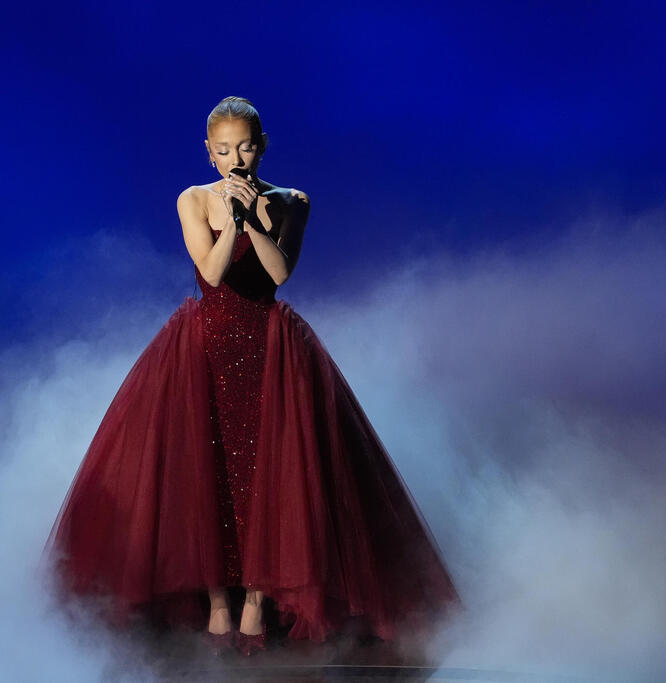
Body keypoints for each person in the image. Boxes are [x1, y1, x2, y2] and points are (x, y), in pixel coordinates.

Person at [41, 96, 462, 658]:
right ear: (209, 154)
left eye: (244, 146)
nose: (235, 158)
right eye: (223, 150)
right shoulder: (192, 200)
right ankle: (218, 604)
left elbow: (280, 273)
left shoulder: (292, 201)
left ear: (261, 146)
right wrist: (230, 219)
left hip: (272, 350)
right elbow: (212, 275)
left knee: (272, 475)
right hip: (204, 350)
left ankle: (257, 605)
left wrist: (252, 219)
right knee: (205, 474)